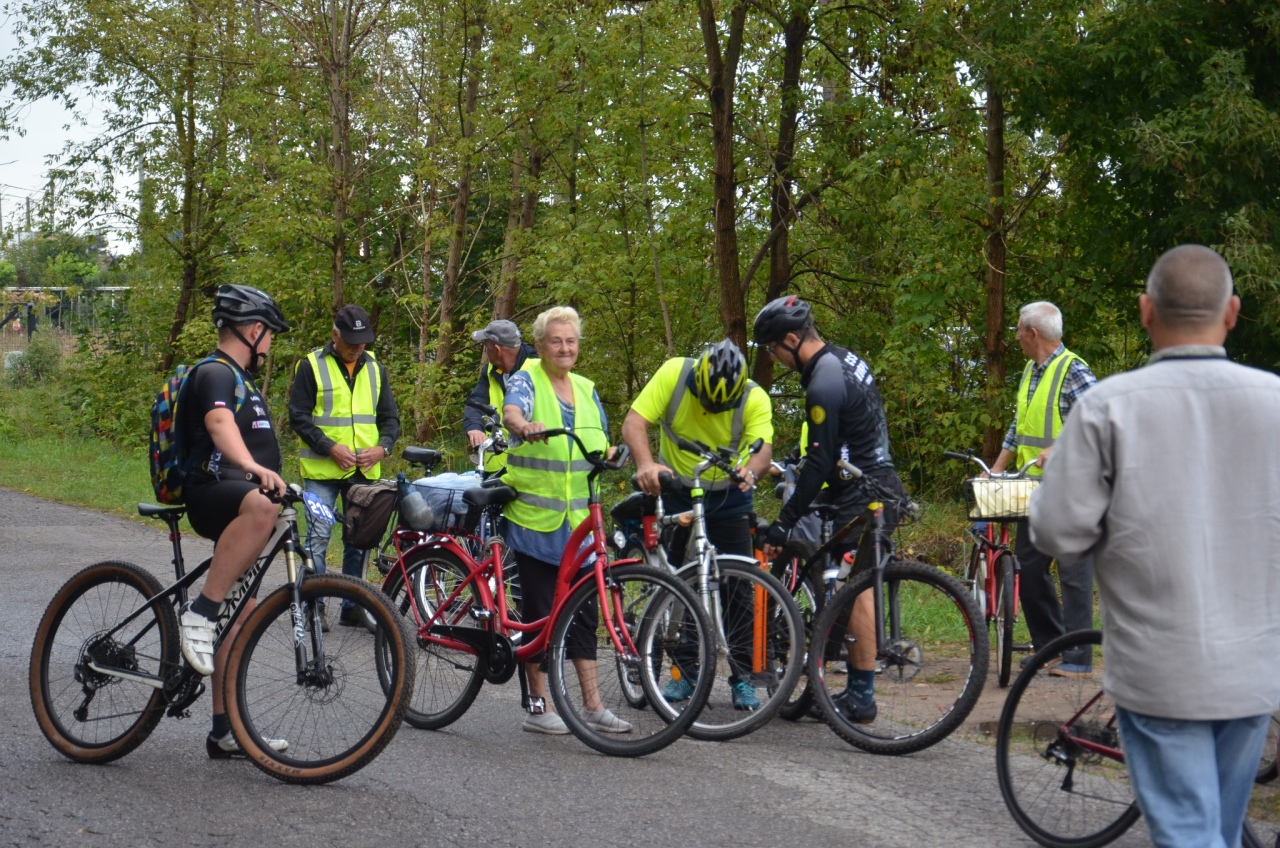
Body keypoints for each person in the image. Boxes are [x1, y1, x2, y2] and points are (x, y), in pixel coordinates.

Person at [1030, 244, 1280, 848]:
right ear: (1232, 312)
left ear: (1146, 311)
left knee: (1192, 834)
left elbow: (1058, 533)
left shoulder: (1107, 408)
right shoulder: (1274, 401)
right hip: (1253, 671)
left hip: (1159, 668)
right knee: (1216, 826)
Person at [755, 295, 908, 724]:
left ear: (791, 339)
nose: (774, 357)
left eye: (773, 349)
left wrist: (785, 521)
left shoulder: (820, 381)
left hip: (865, 493)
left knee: (853, 588)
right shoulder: (844, 360)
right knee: (851, 584)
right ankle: (846, 685)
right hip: (874, 481)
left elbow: (822, 460)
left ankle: (861, 696)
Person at [621, 339, 774, 710]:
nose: (710, 410)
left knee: (737, 585)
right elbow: (635, 422)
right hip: (676, 489)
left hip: (727, 495)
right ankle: (684, 673)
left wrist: (750, 472)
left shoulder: (754, 397)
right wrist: (645, 465)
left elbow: (763, 450)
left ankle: (743, 679)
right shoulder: (675, 373)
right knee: (676, 584)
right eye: (705, 400)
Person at [500, 305, 631, 735]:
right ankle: (537, 706)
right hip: (537, 520)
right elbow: (511, 412)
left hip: (580, 523)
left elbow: (600, 442)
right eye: (555, 340)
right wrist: (523, 425)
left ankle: (592, 705)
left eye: (571, 340)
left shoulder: (587, 388)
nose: (564, 347)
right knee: (541, 614)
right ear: (540, 345)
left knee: (585, 614)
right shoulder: (526, 377)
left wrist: (613, 455)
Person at [177, 284, 291, 758]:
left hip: (240, 494)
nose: (270, 345)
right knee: (262, 507)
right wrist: (256, 471)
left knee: (241, 615)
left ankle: (224, 731)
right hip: (209, 494)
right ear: (253, 329)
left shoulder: (245, 380)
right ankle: (199, 613)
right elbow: (220, 426)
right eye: (269, 336)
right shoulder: (216, 373)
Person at [989, 301, 1096, 676]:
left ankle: (1079, 657)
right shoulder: (1029, 372)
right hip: (1031, 488)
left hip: (1072, 488)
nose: (1015, 336)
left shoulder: (1074, 371)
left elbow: (1095, 424)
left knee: (1074, 572)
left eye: (1019, 329)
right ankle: (1050, 646)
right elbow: (1019, 427)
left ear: (1033, 333)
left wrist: (1060, 447)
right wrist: (998, 470)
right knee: (1029, 568)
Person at [288, 304, 400, 631]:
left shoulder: (376, 368)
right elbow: (299, 417)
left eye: (363, 341)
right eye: (351, 340)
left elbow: (390, 419)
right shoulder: (311, 366)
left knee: (359, 541)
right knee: (319, 537)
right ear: (334, 334)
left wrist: (383, 448)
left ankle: (354, 607)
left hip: (363, 475)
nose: (357, 346)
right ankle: (314, 605)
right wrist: (329, 448)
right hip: (322, 473)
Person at [464, 319, 537, 469]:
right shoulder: (491, 370)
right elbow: (476, 402)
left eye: (486, 347)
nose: (486, 351)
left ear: (497, 349)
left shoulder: (537, 369)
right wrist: (474, 427)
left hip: (530, 468)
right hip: (495, 466)